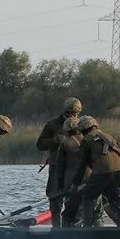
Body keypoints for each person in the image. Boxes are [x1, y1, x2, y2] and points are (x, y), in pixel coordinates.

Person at [72, 116, 120, 227]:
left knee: (87, 196)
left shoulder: (87, 139)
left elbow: (82, 164)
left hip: (103, 170)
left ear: (84, 129)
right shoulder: (108, 136)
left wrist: (76, 183)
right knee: (117, 201)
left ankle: (87, 228)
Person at [36, 97, 82, 227]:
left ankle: (73, 225)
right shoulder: (53, 124)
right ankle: (56, 228)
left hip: (75, 167)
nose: (74, 116)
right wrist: (54, 141)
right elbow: (40, 144)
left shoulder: (82, 124)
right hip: (56, 166)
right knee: (55, 197)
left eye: (76, 113)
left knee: (74, 196)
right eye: (71, 113)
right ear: (65, 112)